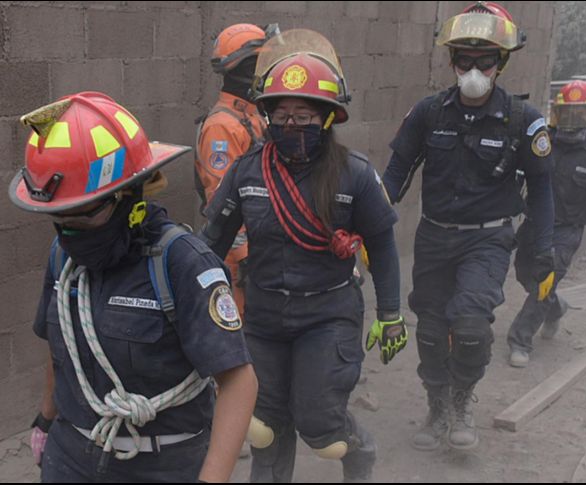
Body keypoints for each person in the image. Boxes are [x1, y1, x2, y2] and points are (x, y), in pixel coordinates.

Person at [9, 92, 257, 483]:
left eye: (83, 216)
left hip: (162, 464)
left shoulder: (182, 263)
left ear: (129, 196)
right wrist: (45, 419)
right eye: (60, 219)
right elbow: (61, 351)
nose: (70, 232)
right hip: (71, 455)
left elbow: (239, 381)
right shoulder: (63, 258)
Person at [199, 29, 407, 482]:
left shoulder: (354, 175)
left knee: (321, 428)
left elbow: (383, 246)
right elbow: (210, 243)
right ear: (268, 115)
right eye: (282, 114)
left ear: (328, 118)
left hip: (327, 314)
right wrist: (191, 304)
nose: (292, 124)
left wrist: (391, 313)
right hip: (264, 316)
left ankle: (360, 451)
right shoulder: (247, 171)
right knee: (263, 428)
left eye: (305, 115)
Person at [382, 1, 556, 451]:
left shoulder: (523, 121)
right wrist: (368, 221)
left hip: (488, 238)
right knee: (430, 331)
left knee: (472, 326)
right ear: (451, 60)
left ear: (502, 62)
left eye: (485, 60)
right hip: (434, 235)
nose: (474, 70)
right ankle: (437, 404)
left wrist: (544, 247)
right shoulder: (428, 113)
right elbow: (396, 174)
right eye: (464, 59)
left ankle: (462, 401)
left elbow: (541, 190)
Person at [507, 80, 586, 367]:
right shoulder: (542, 143)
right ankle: (556, 309)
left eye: (581, 113)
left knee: (546, 280)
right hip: (534, 225)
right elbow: (518, 176)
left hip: (567, 230)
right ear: (557, 114)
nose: (574, 119)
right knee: (525, 274)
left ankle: (520, 341)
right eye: (568, 113)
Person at [195, 23, 278, 315]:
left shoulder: (254, 117)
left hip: (262, 248)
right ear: (246, 69)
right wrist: (245, 257)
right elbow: (222, 200)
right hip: (237, 261)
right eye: (262, 64)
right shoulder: (223, 127)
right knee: (243, 331)